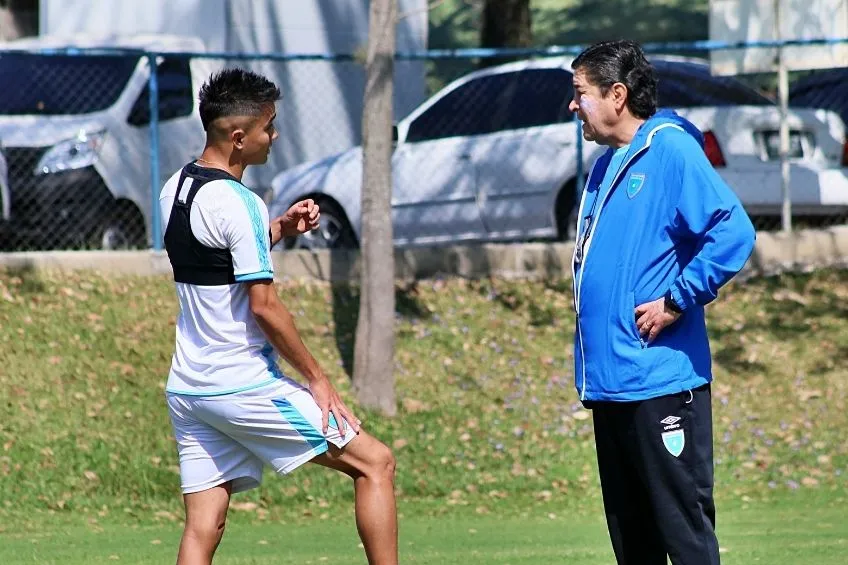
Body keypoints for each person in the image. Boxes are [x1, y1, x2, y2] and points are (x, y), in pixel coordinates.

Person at [159, 68, 398, 565]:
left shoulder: (176, 188)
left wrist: (280, 229)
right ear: (240, 138)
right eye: (269, 127)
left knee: (206, 522)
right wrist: (319, 380)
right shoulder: (239, 201)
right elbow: (263, 306)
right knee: (375, 463)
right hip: (239, 385)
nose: (275, 136)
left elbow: (214, 261)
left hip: (189, 389)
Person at [568, 40, 756, 565]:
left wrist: (676, 300)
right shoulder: (605, 167)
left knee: (684, 536)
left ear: (617, 95)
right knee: (634, 542)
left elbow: (733, 232)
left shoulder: (670, 150)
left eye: (580, 93)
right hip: (611, 384)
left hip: (660, 383)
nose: (573, 105)